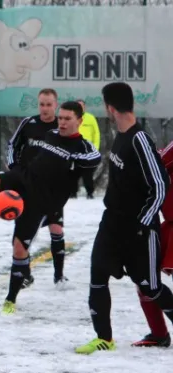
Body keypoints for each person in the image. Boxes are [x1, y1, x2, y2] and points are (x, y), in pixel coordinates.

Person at [0, 101, 101, 315]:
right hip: (24, 178)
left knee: (19, 247)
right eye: (60, 118)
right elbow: (25, 147)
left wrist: (71, 157)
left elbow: (93, 159)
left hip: (42, 199)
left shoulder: (84, 149)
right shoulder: (50, 134)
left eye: (67, 119)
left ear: (80, 120)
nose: (62, 122)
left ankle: (11, 299)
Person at [75, 82, 173, 354]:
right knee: (97, 276)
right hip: (112, 224)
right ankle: (104, 338)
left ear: (110, 107)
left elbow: (160, 184)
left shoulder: (139, 139)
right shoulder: (120, 135)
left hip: (139, 230)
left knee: (150, 287)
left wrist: (143, 222)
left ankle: (161, 334)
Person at [5, 88, 68, 288]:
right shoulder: (28, 123)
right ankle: (26, 274)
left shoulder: (62, 128)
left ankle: (59, 276)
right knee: (22, 234)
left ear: (56, 105)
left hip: (51, 190)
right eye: (42, 104)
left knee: (56, 229)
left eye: (49, 104)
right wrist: (15, 169)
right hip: (27, 188)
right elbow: (12, 146)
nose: (45, 108)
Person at [131, 140, 173, 348]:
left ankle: (159, 334)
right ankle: (158, 334)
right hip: (169, 224)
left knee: (146, 278)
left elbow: (153, 165)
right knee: (145, 277)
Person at [70, 100, 100, 199]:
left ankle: (90, 193)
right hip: (74, 148)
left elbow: (96, 133)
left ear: (85, 107)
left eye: (82, 106)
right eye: (78, 106)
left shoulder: (90, 118)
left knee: (88, 174)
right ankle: (73, 193)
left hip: (88, 150)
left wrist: (95, 148)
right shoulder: (71, 117)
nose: (80, 107)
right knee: (73, 172)